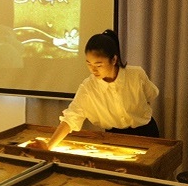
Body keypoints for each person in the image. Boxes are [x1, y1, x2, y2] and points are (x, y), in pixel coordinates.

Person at [31, 29, 160, 151]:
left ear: (114, 59)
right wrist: (49, 145)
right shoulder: (88, 87)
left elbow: (150, 95)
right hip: (114, 137)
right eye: (89, 64)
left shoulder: (135, 75)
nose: (93, 70)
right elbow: (71, 118)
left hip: (146, 133)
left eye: (99, 65)